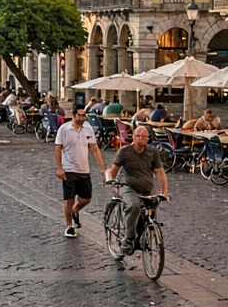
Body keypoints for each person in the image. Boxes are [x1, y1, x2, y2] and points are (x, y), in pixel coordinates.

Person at [104, 124, 169, 255]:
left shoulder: (152, 152)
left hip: (147, 188)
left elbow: (160, 173)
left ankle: (143, 236)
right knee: (134, 206)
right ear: (133, 137)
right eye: (138, 136)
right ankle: (128, 241)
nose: (142, 138)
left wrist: (164, 191)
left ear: (148, 138)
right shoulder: (124, 152)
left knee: (151, 210)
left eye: (144, 136)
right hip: (128, 187)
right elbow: (113, 170)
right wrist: (112, 181)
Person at [54, 107, 108, 238]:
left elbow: (95, 149)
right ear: (73, 115)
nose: (83, 118)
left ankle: (75, 210)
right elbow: (58, 148)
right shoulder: (64, 129)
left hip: (84, 170)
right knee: (69, 199)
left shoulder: (88, 129)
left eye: (84, 116)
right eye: (80, 115)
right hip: (69, 169)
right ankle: (69, 226)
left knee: (86, 199)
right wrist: (60, 168)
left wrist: (103, 169)